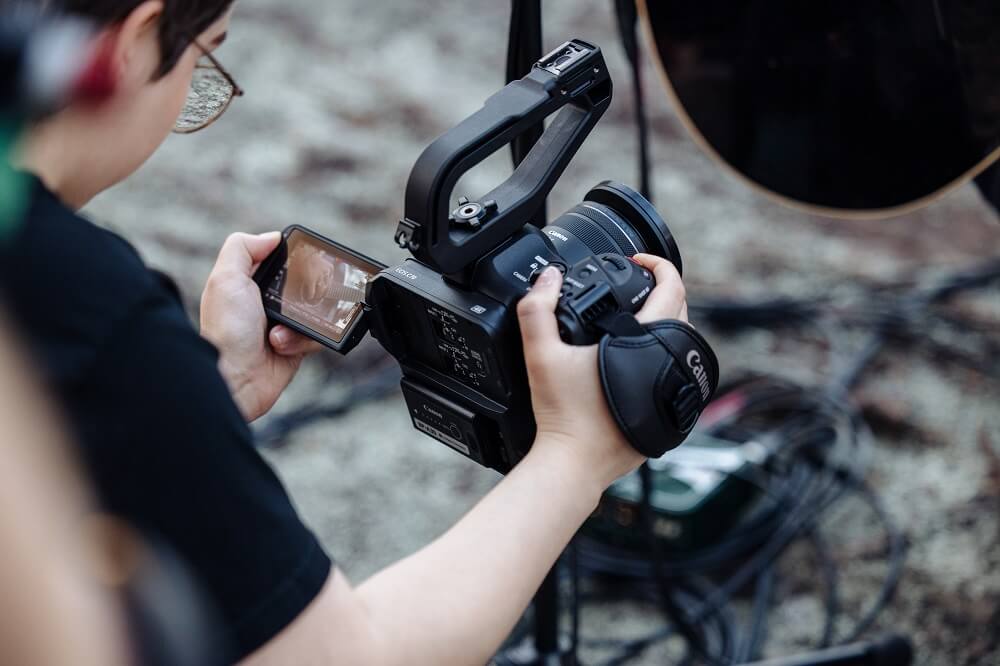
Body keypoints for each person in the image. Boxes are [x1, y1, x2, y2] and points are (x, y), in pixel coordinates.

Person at [2, 1, 690, 664]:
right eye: (205, 60)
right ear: (137, 40)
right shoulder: (81, 305)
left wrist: (208, 394)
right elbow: (340, 656)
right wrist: (576, 454)